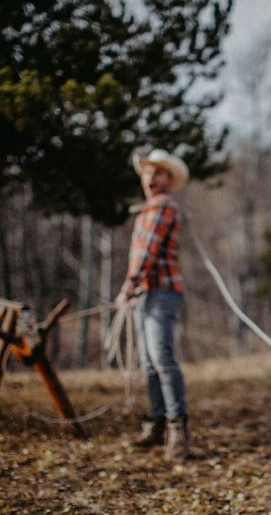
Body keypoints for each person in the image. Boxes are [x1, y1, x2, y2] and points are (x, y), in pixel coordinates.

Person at [115, 149, 191, 461]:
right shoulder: (148, 209)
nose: (151, 178)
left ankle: (178, 429)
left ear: (169, 179)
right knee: (148, 362)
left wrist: (128, 286)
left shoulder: (163, 207)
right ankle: (158, 423)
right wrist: (135, 288)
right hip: (147, 291)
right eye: (147, 172)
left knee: (161, 359)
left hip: (161, 291)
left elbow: (147, 252)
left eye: (158, 173)